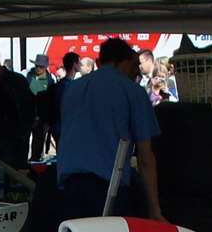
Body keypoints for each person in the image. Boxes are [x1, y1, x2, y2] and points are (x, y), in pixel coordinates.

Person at [57, 37, 164, 221]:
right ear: (126, 62)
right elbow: (145, 159)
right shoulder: (133, 91)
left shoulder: (73, 88)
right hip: (107, 190)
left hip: (69, 187)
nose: (137, 73)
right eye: (135, 66)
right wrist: (155, 211)